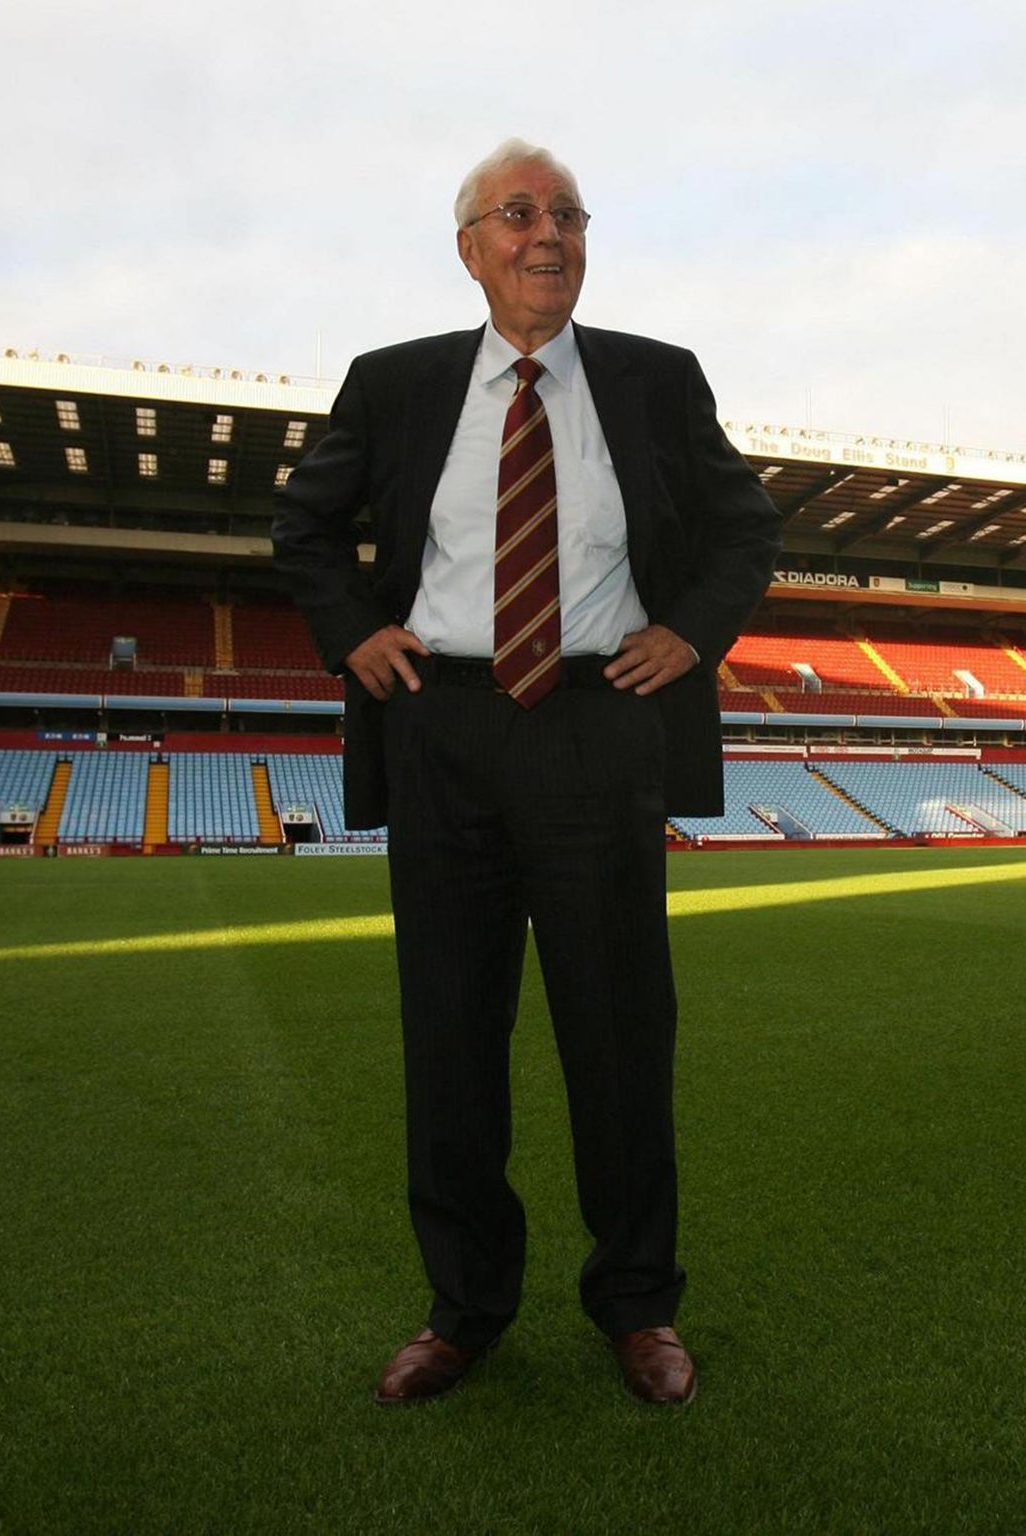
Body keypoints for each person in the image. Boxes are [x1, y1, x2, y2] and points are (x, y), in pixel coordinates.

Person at [271, 139, 781, 1406]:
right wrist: (353, 632)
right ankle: (463, 1307)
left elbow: (743, 528)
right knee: (449, 1035)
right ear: (470, 248)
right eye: (517, 214)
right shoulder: (391, 386)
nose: (546, 233)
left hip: (597, 725)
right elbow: (306, 525)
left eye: (565, 213)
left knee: (619, 1035)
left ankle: (635, 1304)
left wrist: (692, 631)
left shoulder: (656, 382)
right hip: (438, 728)